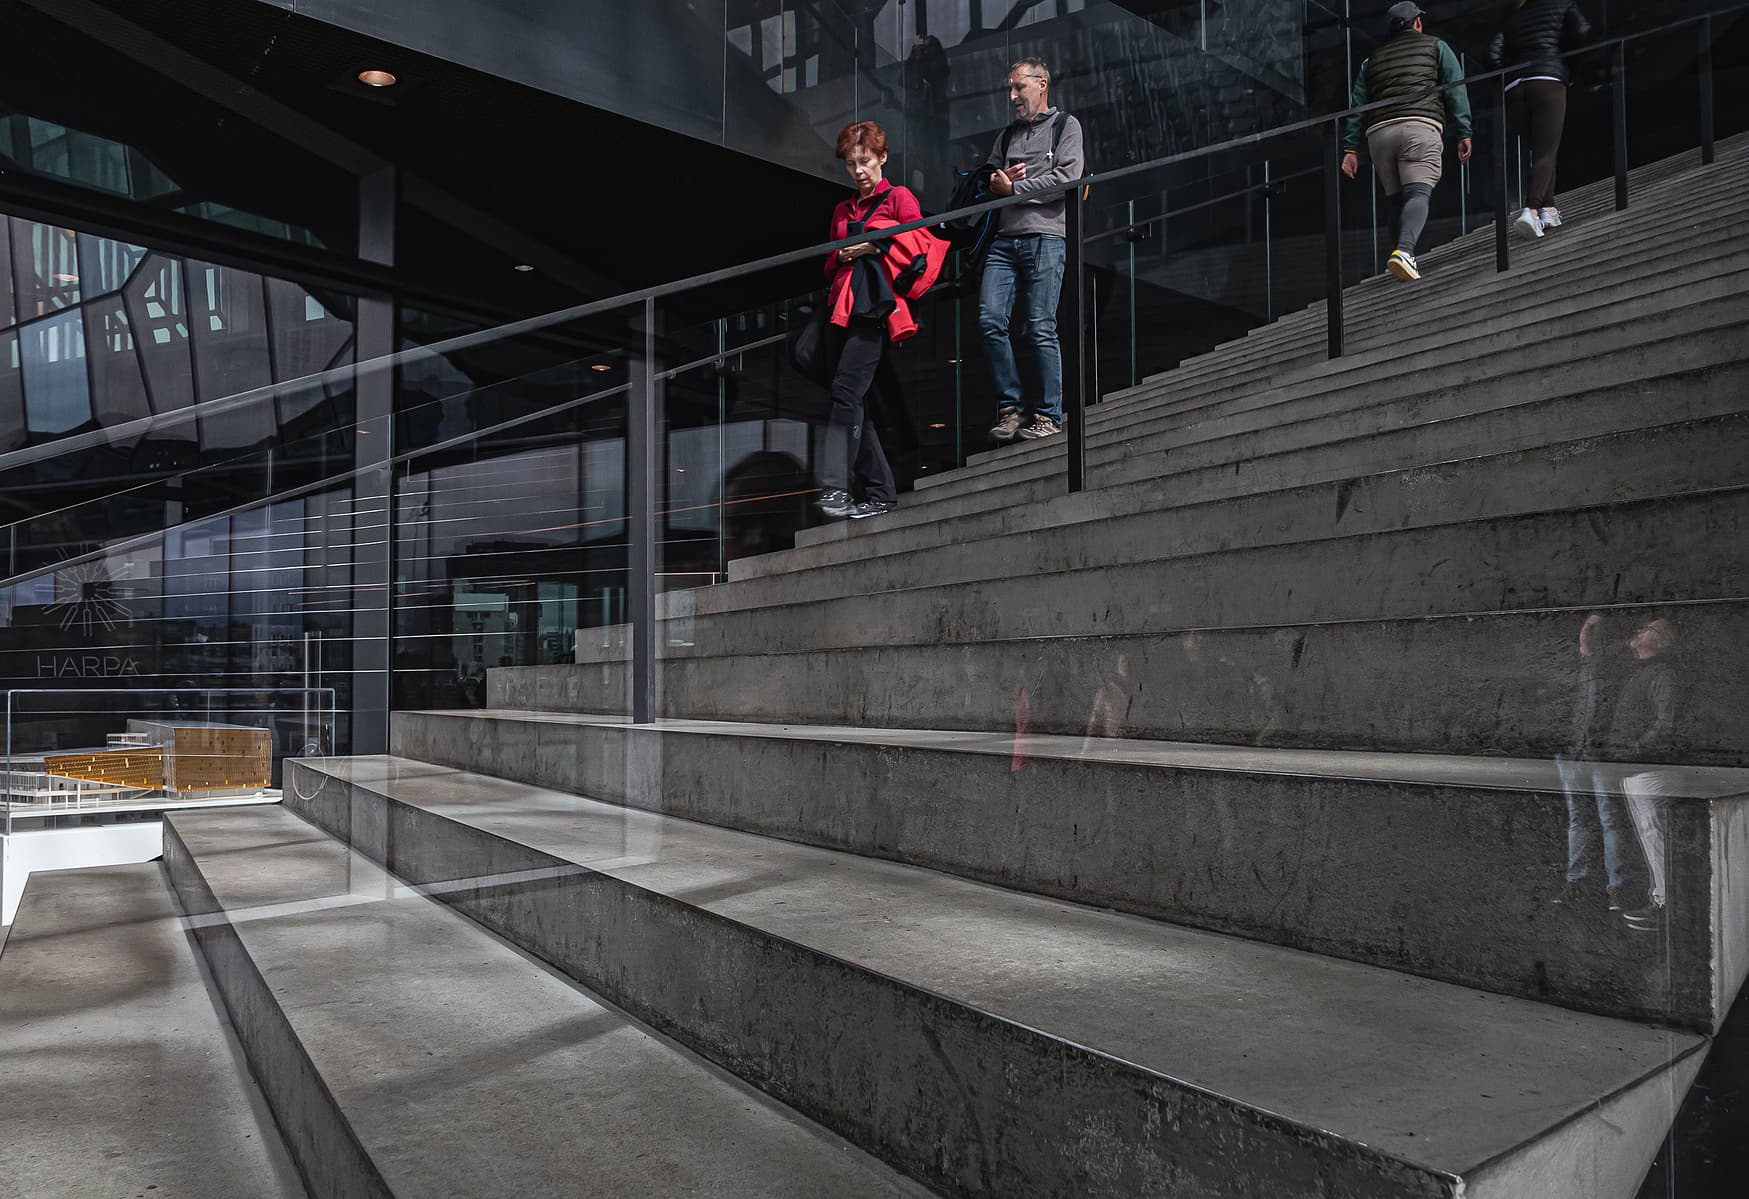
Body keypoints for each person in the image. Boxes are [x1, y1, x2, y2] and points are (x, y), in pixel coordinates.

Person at [819, 120, 947, 520]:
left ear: (882, 158)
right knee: (853, 400)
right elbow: (828, 264)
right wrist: (843, 254)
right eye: (851, 163)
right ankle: (879, 494)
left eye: (865, 160)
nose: (858, 170)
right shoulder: (843, 208)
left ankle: (836, 488)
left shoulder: (899, 198)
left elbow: (919, 252)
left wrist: (875, 242)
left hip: (875, 310)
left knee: (845, 393)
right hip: (842, 309)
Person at [981, 57, 1085, 445]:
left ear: (1042, 84)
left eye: (1018, 87)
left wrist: (1017, 189)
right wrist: (999, 180)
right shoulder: (1007, 135)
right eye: (1009, 88)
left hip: (1045, 238)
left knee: (1041, 325)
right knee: (991, 320)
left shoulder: (1066, 126)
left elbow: (1069, 178)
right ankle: (1010, 410)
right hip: (1005, 240)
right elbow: (988, 179)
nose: (1012, 96)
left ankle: (1048, 414)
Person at [1341, 2, 1475, 283]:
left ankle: (1403, 257)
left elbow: (1357, 107)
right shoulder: (1436, 46)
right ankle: (1404, 251)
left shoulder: (1371, 60)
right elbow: (1455, 89)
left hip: (1379, 136)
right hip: (1418, 126)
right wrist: (1464, 130)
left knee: (1396, 201)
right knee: (1417, 194)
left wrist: (1350, 149)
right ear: (1416, 23)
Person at [1550, 614, 1637, 912]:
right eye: (1584, 629)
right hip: (1573, 752)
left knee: (1608, 819)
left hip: (1600, 754)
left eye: (1591, 631)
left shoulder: (1616, 665)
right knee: (1580, 819)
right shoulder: (1577, 667)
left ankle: (1616, 888)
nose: (1584, 637)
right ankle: (1578, 882)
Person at [1488, 0, 1594, 239]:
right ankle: (1531, 210)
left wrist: (1509, 74)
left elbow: (1492, 54)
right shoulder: (1562, 4)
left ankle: (1548, 209)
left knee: (1541, 151)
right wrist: (1571, 70)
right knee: (1546, 152)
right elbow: (1583, 31)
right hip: (1547, 77)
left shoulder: (1513, 16)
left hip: (1515, 87)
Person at [1606, 617, 1681, 932]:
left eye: (1648, 628)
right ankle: (1659, 901)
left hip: (1649, 769)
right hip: (1635, 768)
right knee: (1650, 839)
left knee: (1656, 838)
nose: (1638, 630)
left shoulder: (1663, 674)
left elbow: (1667, 724)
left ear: (1661, 642)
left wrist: (1634, 749)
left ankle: (1665, 908)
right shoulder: (1640, 672)